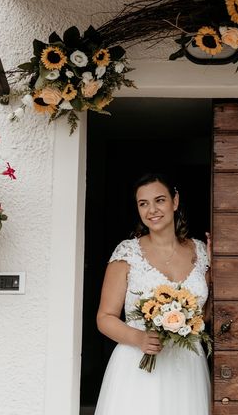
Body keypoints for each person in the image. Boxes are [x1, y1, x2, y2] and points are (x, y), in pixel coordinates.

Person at [94, 173, 211, 414]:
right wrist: (138, 338)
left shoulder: (199, 251)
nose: (152, 210)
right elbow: (104, 318)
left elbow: (205, 315)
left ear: (175, 201)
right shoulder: (127, 252)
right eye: (143, 203)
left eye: (159, 200)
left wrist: (218, 269)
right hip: (138, 365)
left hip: (187, 365)